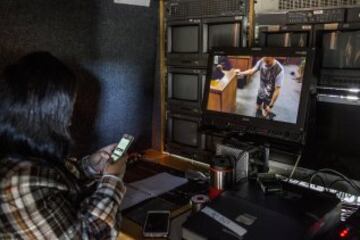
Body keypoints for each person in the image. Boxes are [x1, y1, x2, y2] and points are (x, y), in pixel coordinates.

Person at [0, 52, 127, 239]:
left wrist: (90, 166)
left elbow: (50, 177)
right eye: (67, 111)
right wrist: (112, 179)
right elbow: (90, 234)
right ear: (45, 116)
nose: (68, 122)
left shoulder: (20, 154)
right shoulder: (17, 184)